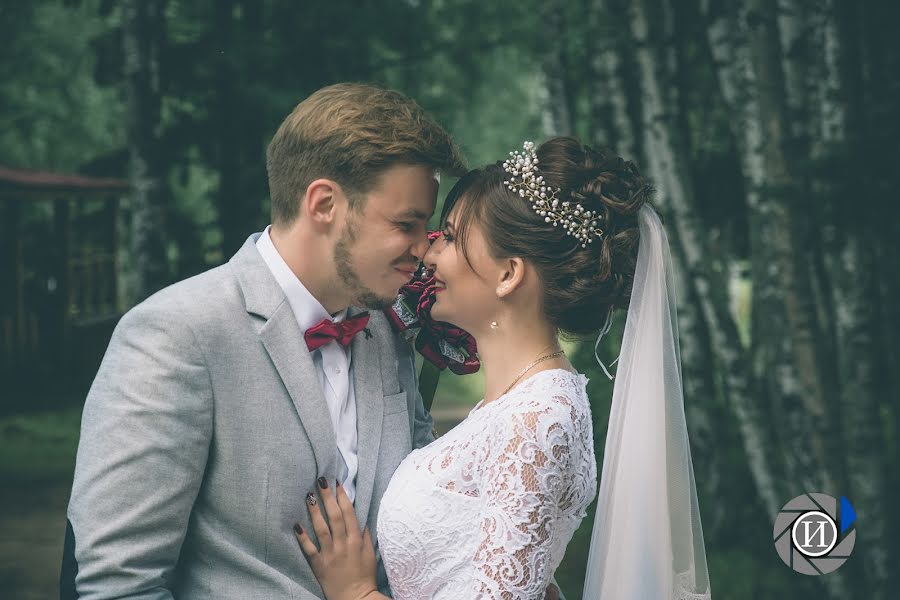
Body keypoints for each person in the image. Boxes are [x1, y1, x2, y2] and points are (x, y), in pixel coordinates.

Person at [61, 82, 467, 599]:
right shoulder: (175, 333)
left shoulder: (386, 331)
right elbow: (118, 583)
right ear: (323, 204)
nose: (424, 249)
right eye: (406, 224)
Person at [295, 138, 711, 599]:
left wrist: (355, 592)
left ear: (509, 273)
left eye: (451, 237)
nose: (430, 255)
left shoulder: (538, 419)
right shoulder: (525, 406)